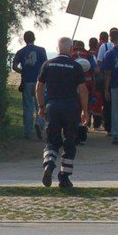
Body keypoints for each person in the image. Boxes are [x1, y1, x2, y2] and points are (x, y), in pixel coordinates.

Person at [35, 37, 89, 190]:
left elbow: (39, 88)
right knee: (69, 142)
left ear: (58, 49)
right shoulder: (76, 66)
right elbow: (83, 90)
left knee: (52, 140)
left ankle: (49, 163)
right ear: (71, 49)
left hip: (53, 106)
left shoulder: (48, 64)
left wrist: (41, 106)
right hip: (71, 107)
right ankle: (64, 178)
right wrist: (85, 110)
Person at [11, 31, 47, 140]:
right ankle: (39, 123)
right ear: (34, 38)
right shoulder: (41, 50)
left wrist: (23, 72)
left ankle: (28, 132)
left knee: (28, 107)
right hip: (39, 81)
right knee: (40, 105)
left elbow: (14, 66)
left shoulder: (20, 52)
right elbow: (45, 65)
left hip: (27, 81)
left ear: (24, 39)